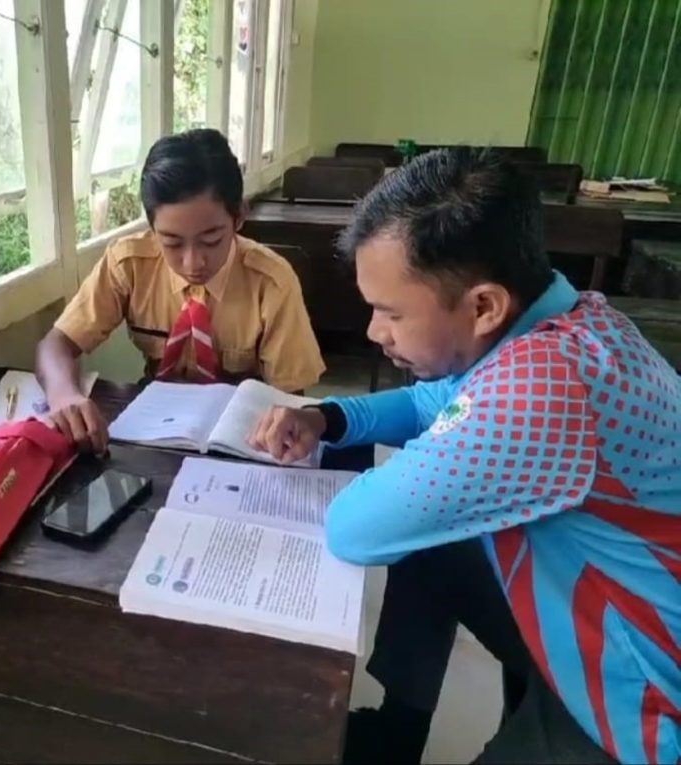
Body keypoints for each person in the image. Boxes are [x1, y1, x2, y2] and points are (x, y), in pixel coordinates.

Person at [250, 147, 681, 764]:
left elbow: (355, 529)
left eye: (391, 313)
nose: (373, 332)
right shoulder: (565, 319)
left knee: (417, 527)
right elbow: (430, 401)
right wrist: (328, 418)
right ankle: (398, 731)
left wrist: (425, 462)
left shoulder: (542, 392)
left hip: (645, 691)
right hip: (595, 604)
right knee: (439, 548)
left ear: (483, 306)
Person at [37, 128, 325, 452]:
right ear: (151, 227)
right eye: (172, 242)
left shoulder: (271, 282)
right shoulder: (128, 263)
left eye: (211, 239)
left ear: (239, 217)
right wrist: (64, 395)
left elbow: (289, 397)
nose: (193, 263)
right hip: (152, 429)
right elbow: (57, 344)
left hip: (242, 435)